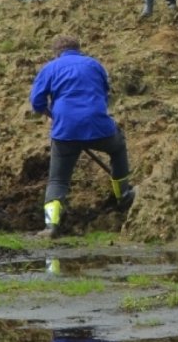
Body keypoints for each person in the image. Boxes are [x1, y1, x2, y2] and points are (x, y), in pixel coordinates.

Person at [28, 35, 134, 238]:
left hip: (65, 131)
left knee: (58, 179)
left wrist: (52, 115)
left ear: (56, 53)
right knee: (118, 148)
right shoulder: (95, 65)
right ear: (79, 49)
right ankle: (124, 195)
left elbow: (36, 101)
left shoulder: (50, 68)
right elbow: (104, 94)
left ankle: (51, 226)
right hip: (98, 126)